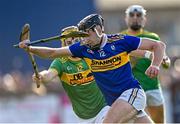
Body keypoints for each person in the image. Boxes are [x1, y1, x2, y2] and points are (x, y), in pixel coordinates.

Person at [19, 14, 166, 123]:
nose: (84, 40)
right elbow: (52, 53)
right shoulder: (83, 49)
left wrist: (155, 65)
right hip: (115, 102)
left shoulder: (120, 41)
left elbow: (158, 46)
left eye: (86, 35)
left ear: (98, 29)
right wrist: (30, 48)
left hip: (131, 93)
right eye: (81, 36)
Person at [32, 26, 110, 123]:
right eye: (69, 43)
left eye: (76, 41)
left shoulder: (91, 54)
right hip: (82, 117)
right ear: (63, 45)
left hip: (103, 108)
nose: (73, 45)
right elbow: (49, 75)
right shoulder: (60, 62)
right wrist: (41, 76)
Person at [121, 5, 171, 123]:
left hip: (152, 86)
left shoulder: (152, 38)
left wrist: (164, 61)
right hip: (132, 89)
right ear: (126, 19)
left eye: (139, 15)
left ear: (144, 19)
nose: (135, 18)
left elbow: (166, 62)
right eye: (131, 15)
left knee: (159, 121)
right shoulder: (121, 38)